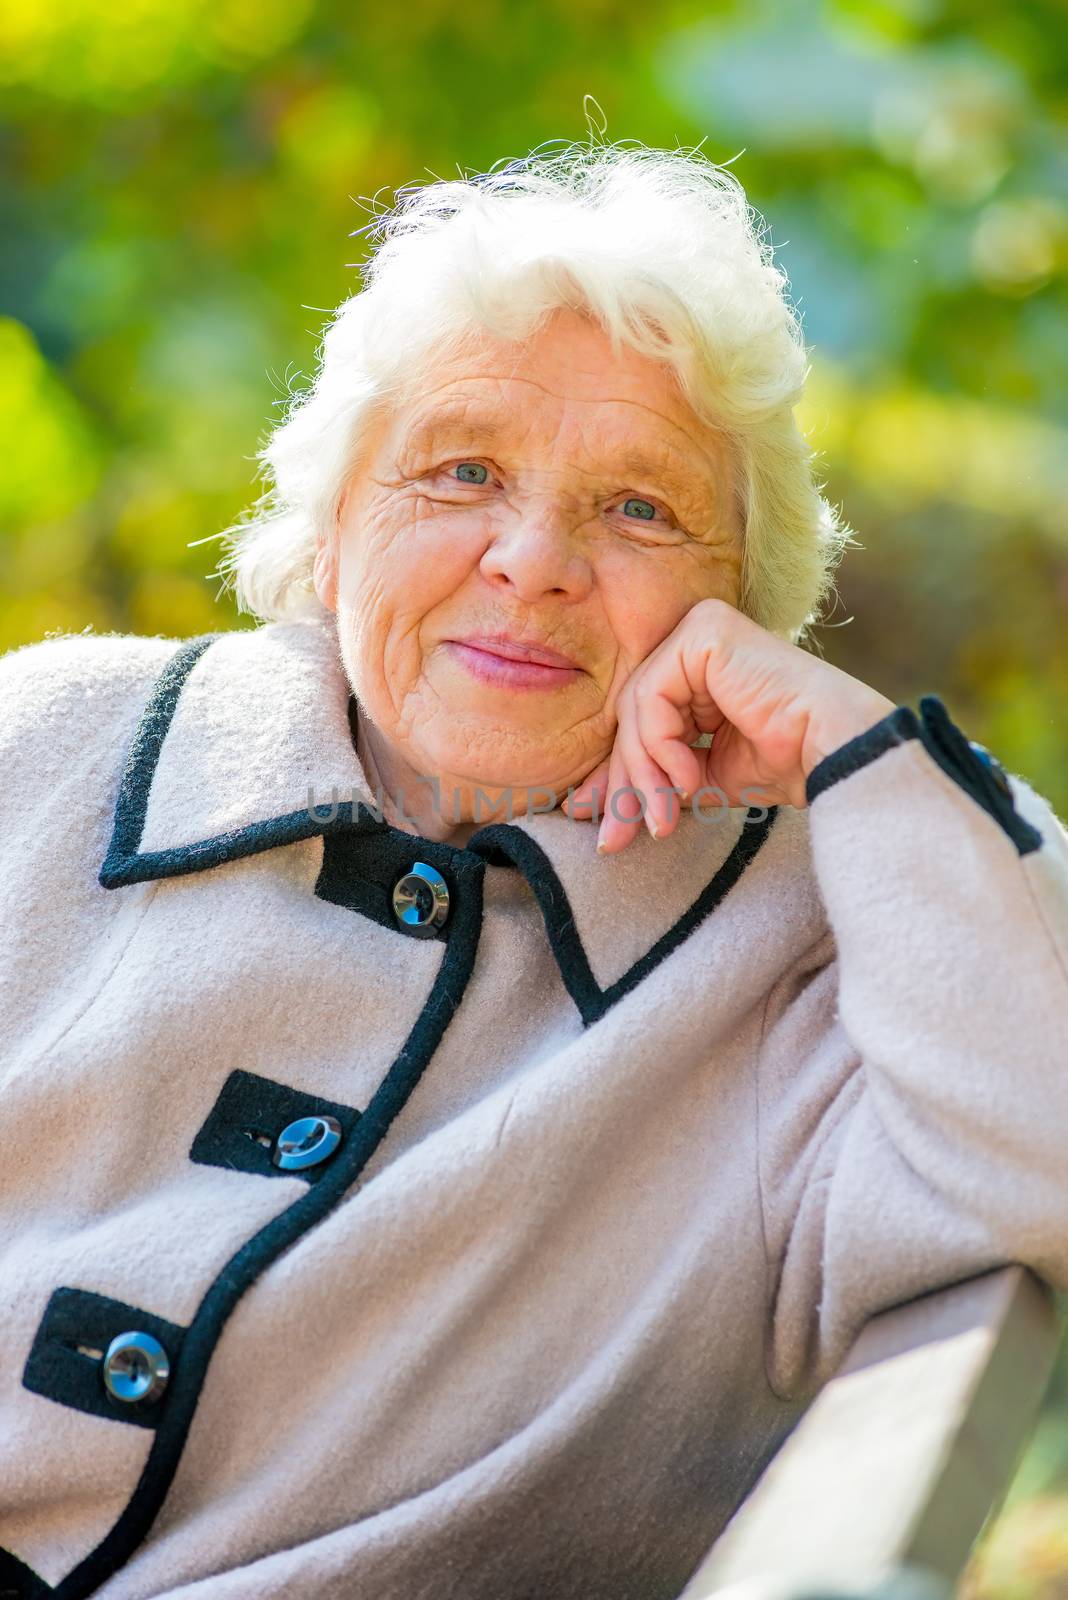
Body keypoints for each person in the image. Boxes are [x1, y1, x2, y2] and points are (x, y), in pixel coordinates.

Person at [1, 140, 1066, 1600]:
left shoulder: (807, 950)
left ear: (739, 604)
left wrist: (863, 752)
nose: (533, 558)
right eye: (461, 470)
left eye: (640, 508)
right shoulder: (49, 747)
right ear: (331, 526)